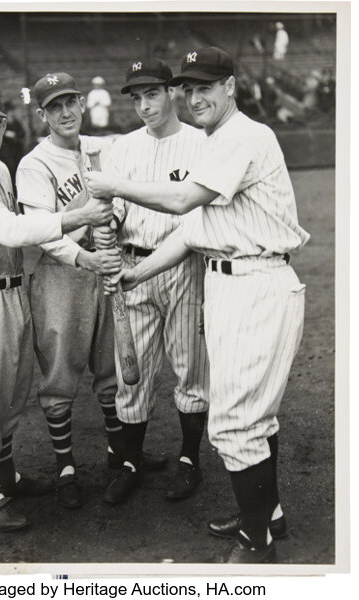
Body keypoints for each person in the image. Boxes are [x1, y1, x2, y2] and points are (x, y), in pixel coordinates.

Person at [85, 47, 310, 563]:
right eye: (189, 87)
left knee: (234, 423)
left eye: (206, 86)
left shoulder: (243, 136)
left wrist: (112, 183)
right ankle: (266, 516)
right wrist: (133, 273)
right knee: (255, 418)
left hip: (257, 283)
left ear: (231, 86)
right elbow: (192, 230)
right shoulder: (217, 140)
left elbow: (182, 202)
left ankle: (257, 546)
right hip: (229, 283)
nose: (195, 96)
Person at [0, 88, 113, 532]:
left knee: (11, 396)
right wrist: (77, 217)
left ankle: (7, 477)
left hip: (10, 292)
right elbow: (12, 231)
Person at [16, 72, 164, 510]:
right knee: (61, 375)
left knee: (111, 370)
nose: (64, 113)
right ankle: (66, 468)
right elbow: (42, 231)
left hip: (105, 268)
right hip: (63, 274)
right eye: (53, 107)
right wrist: (84, 258)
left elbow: (129, 173)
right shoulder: (34, 164)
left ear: (82, 103)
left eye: (69, 103)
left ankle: (121, 455)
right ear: (42, 115)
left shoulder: (102, 148)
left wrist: (111, 230)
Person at [93, 58, 209, 506]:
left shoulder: (201, 144)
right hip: (131, 267)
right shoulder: (122, 147)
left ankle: (189, 460)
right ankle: (130, 461)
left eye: (152, 93)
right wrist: (108, 221)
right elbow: (113, 209)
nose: (144, 105)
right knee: (132, 373)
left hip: (183, 265)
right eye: (136, 97)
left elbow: (195, 217)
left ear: (173, 92)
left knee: (190, 367)